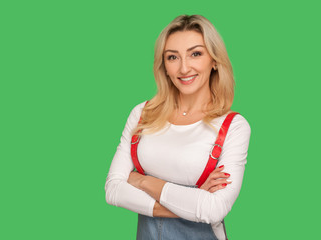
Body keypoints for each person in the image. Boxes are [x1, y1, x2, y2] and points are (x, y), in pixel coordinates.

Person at [105, 14, 251, 240]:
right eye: (173, 57)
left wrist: (141, 181)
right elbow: (113, 191)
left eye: (195, 54)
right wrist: (193, 201)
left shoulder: (233, 126)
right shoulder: (142, 114)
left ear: (214, 60)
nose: (184, 68)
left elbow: (213, 210)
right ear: (163, 65)